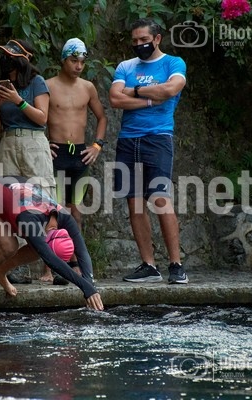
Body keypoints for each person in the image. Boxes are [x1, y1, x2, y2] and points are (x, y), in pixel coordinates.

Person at [108, 18, 188, 284]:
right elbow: (115, 98)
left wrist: (135, 91)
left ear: (157, 39)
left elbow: (171, 89)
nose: (139, 44)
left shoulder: (173, 63)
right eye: (135, 41)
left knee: (160, 199)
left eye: (144, 39)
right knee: (135, 203)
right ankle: (149, 265)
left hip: (158, 138)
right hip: (128, 140)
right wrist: (151, 100)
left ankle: (176, 265)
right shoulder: (125, 66)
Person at [0, 175, 104, 311]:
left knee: (36, 250)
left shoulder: (65, 217)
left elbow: (82, 252)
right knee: (9, 246)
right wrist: (85, 287)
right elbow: (50, 258)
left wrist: (90, 286)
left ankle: (0, 271)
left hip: (12, 192)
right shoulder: (29, 220)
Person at [0, 39, 55, 284]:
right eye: (5, 57)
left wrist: (18, 100)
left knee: (43, 199)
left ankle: (50, 267)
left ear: (24, 60)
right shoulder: (4, 86)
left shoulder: (37, 82)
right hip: (8, 142)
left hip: (33, 142)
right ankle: (9, 268)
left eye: (12, 57)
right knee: (8, 202)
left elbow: (42, 118)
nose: (7, 62)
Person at [43, 37, 107, 282]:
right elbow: (37, 116)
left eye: (82, 61)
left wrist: (97, 145)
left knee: (76, 213)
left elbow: (102, 117)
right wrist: (42, 143)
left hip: (79, 155)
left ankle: (76, 265)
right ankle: (48, 269)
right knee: (54, 213)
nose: (78, 65)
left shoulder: (88, 88)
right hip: (56, 153)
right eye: (73, 60)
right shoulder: (47, 85)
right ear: (63, 60)